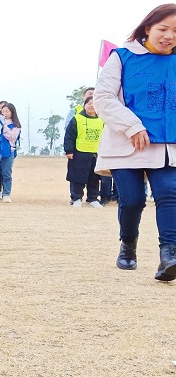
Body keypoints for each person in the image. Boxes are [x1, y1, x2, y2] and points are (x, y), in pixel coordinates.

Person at [94, 3, 176, 280]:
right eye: (163, 29)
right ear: (147, 28)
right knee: (132, 200)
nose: (169, 36)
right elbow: (103, 97)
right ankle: (128, 244)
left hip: (167, 145)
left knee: (169, 196)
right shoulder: (123, 56)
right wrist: (131, 127)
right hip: (126, 141)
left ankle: (169, 256)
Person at [64, 96, 103, 208]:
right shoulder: (77, 119)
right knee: (78, 177)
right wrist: (69, 150)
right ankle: (76, 198)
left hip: (96, 153)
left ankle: (93, 198)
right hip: (79, 153)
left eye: (94, 103)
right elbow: (69, 136)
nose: (91, 105)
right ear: (84, 105)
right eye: (88, 103)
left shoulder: (102, 120)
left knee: (94, 177)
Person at [0, 103, 21, 203]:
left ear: (12, 112)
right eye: (2, 112)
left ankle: (6, 194)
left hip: (9, 151)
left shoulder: (16, 125)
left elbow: (12, 137)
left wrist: (5, 126)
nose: (4, 114)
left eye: (7, 112)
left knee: (6, 173)